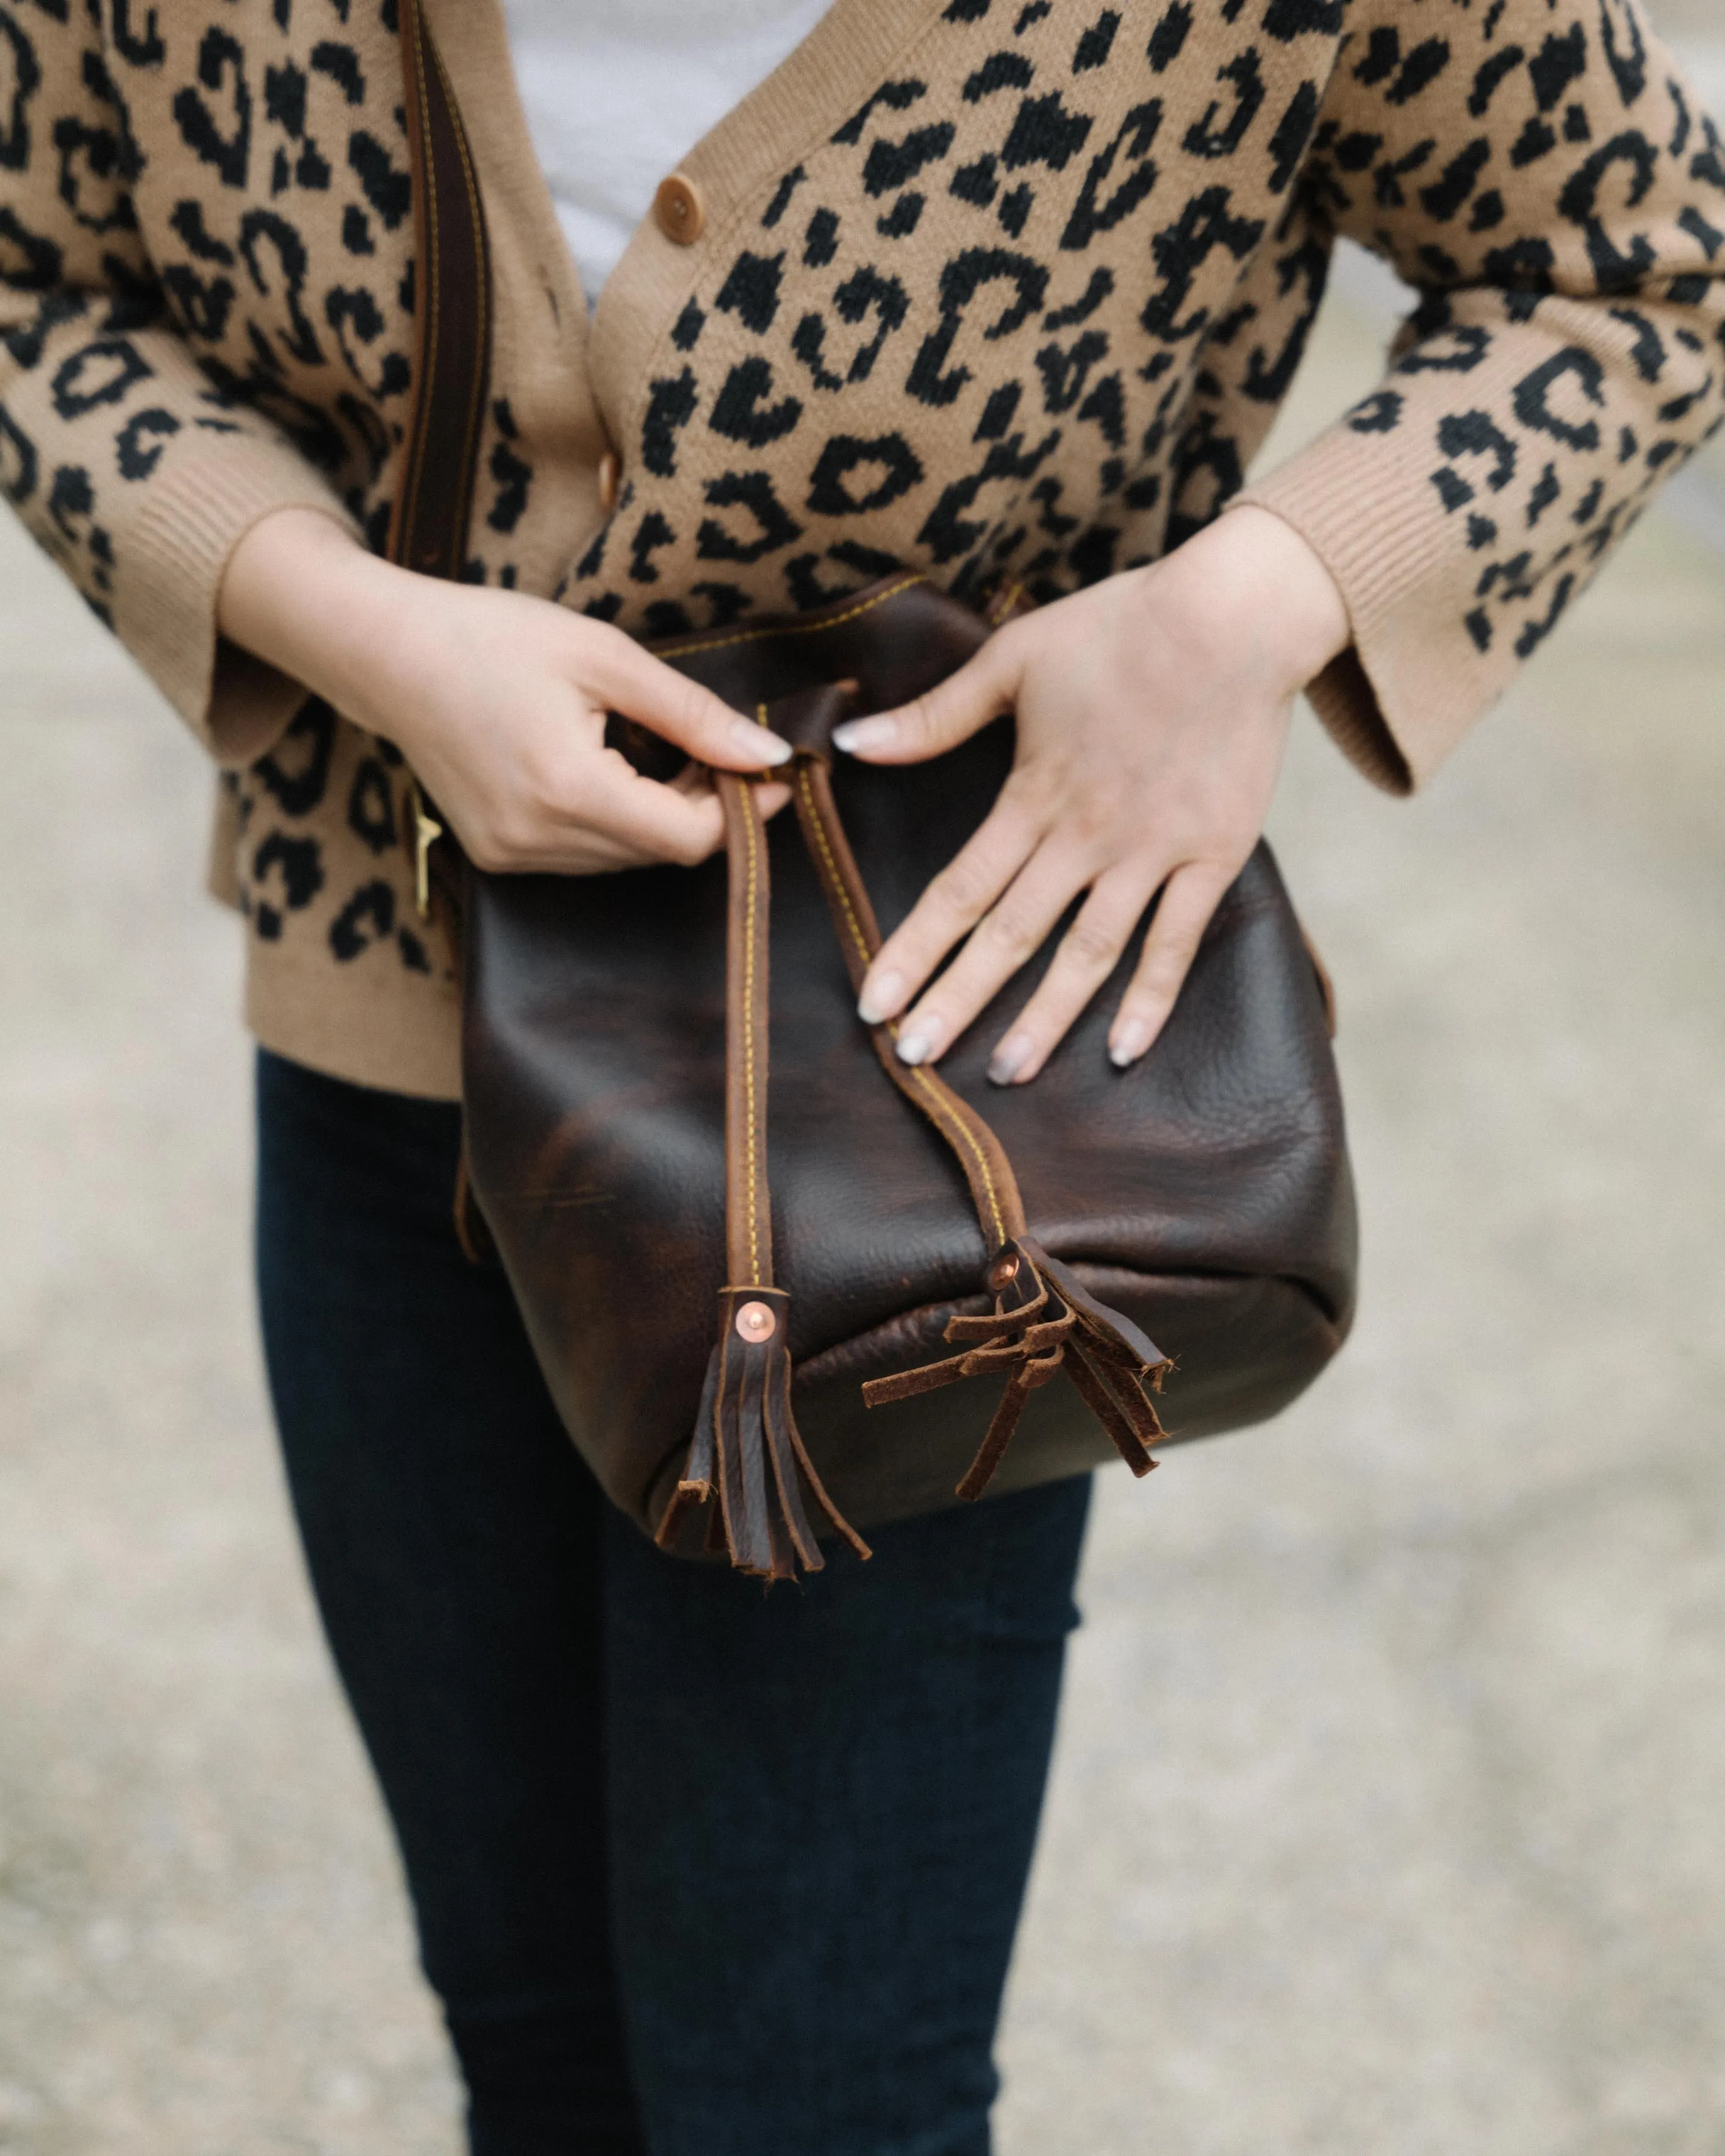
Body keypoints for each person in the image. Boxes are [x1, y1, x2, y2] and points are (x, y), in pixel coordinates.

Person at [3, 0, 1721, 2147]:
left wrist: (1244, 611)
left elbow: (1639, 259)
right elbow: (35, 264)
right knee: (535, 2046)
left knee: (812, 2106)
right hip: (401, 1062)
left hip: (938, 1144)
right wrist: (350, 623)